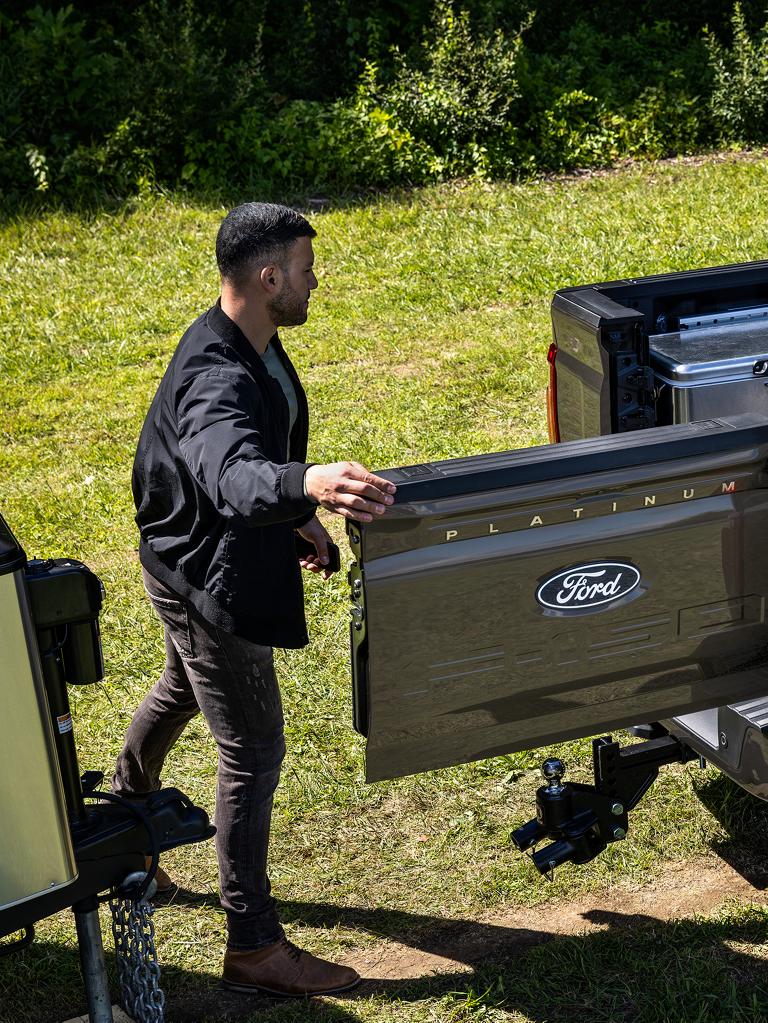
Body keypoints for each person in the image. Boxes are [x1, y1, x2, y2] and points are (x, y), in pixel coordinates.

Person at [111, 202, 396, 997]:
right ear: (269, 278)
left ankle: (124, 821)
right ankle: (253, 943)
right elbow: (232, 471)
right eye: (306, 269)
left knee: (180, 688)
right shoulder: (215, 374)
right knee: (253, 750)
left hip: (186, 554)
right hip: (204, 576)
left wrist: (295, 512)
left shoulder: (252, 342)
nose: (315, 280)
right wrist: (303, 483)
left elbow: (255, 461)